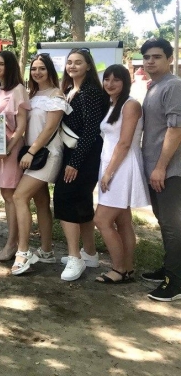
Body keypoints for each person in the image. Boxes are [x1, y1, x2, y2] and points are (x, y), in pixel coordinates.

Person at [10, 54, 70, 275]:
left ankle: (23, 252)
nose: (37, 72)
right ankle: (46, 251)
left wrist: (31, 152)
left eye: (42, 68)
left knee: (19, 197)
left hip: (47, 155)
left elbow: (49, 129)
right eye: (34, 68)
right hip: (33, 155)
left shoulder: (56, 95)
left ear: (50, 70)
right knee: (42, 202)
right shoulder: (32, 94)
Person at [53, 48, 108, 282]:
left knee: (65, 199)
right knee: (82, 202)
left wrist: (75, 162)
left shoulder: (91, 92)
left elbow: (91, 131)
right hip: (71, 153)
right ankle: (90, 253)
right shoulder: (69, 90)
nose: (72, 66)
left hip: (84, 156)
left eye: (78, 62)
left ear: (88, 66)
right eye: (70, 62)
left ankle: (75, 257)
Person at [93, 64, 149, 284]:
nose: (110, 83)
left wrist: (108, 173)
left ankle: (118, 269)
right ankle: (128, 268)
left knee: (102, 220)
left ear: (125, 82)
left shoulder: (130, 105)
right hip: (111, 165)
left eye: (116, 79)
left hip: (121, 167)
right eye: (107, 79)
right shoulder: (112, 104)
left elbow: (124, 143)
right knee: (123, 220)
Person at [139, 38, 181, 301]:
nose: (150, 61)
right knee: (165, 222)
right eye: (147, 57)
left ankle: (175, 283)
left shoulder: (173, 86)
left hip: (170, 170)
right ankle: (169, 269)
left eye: (156, 56)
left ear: (169, 59)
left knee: (172, 225)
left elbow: (175, 129)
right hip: (157, 168)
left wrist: (161, 167)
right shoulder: (155, 86)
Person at [0, 50, 30, 262]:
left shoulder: (18, 90)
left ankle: (13, 245)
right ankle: (13, 243)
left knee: (11, 196)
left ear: (10, 66)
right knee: (6, 195)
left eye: (1, 64)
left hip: (10, 149)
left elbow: (21, 126)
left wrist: (10, 149)